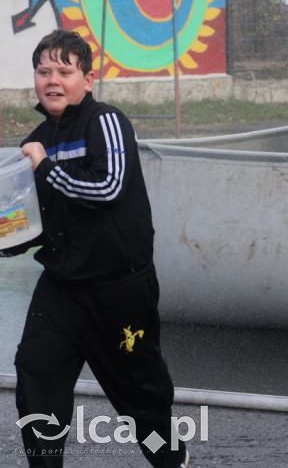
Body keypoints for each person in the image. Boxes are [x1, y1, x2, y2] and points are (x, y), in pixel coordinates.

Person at [4, 30, 189, 467]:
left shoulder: (105, 121)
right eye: (43, 70)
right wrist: (7, 240)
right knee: (36, 372)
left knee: (141, 400)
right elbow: (34, 223)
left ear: (88, 79)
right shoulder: (37, 139)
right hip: (62, 288)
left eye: (64, 71)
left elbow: (106, 188)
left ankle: (171, 460)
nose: (52, 80)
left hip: (118, 290)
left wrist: (44, 166)